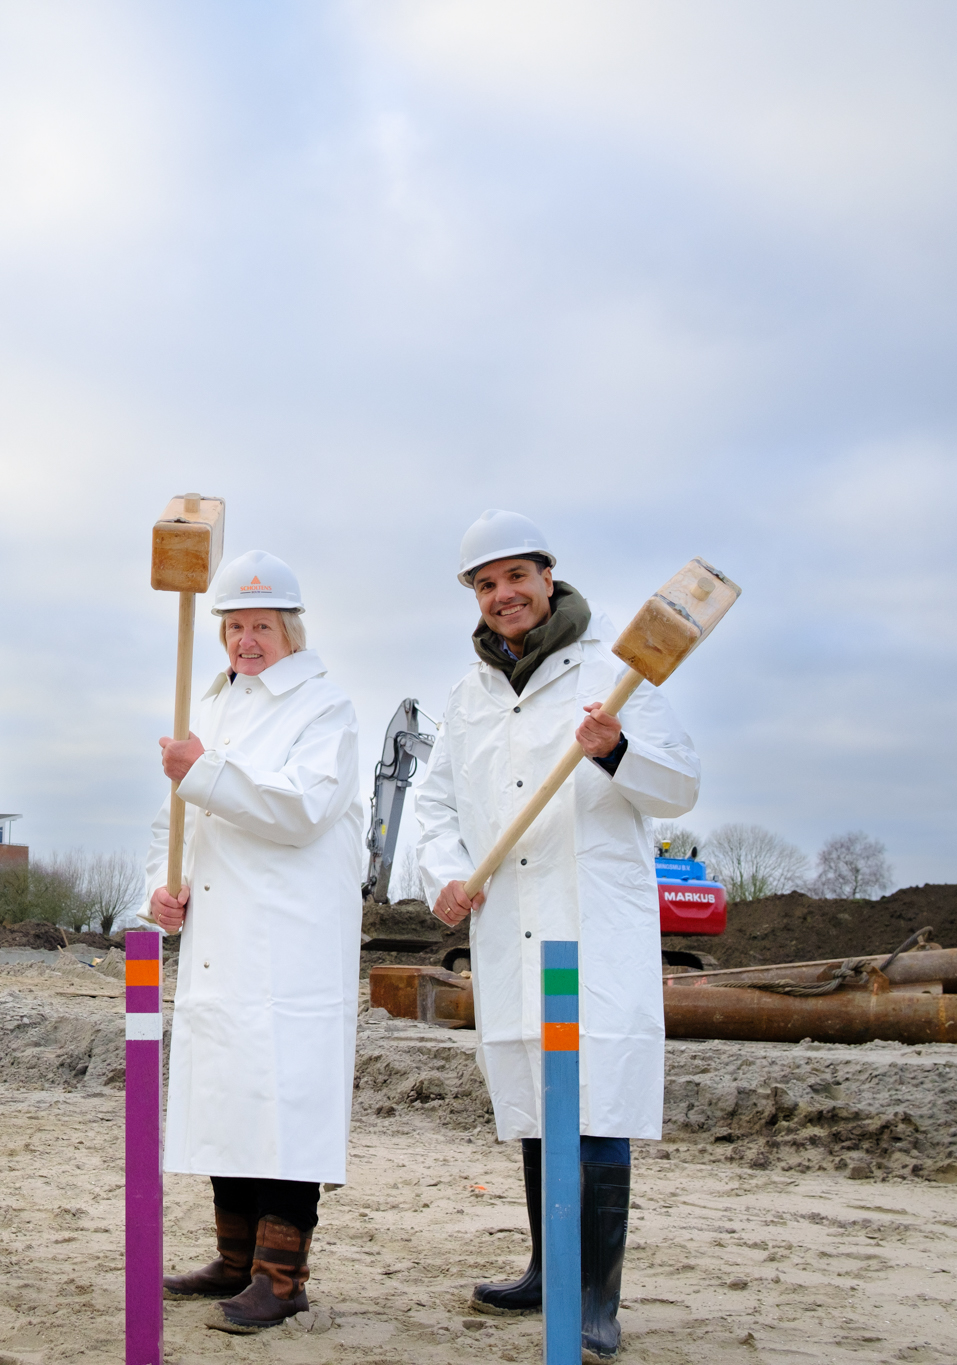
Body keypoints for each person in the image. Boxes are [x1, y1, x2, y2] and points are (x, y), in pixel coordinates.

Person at [411, 509, 700, 1362]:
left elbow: (681, 784)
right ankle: (547, 1268)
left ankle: (594, 1297)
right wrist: (446, 875)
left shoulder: (619, 669)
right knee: (540, 1097)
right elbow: (432, 807)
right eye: (485, 583)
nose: (504, 595)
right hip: (511, 923)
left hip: (589, 919)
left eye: (516, 576)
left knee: (595, 1096)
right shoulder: (467, 694)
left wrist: (616, 751)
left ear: (546, 575)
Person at [146, 549, 365, 1333]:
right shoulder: (213, 703)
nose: (245, 640)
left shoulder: (325, 708)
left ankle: (283, 1274)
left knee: (282, 1105)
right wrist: (161, 887)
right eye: (234, 625)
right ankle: (234, 1259)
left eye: (260, 625)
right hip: (219, 940)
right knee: (228, 1097)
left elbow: (300, 810)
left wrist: (204, 770)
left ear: (291, 630)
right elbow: (180, 820)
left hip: (290, 945)